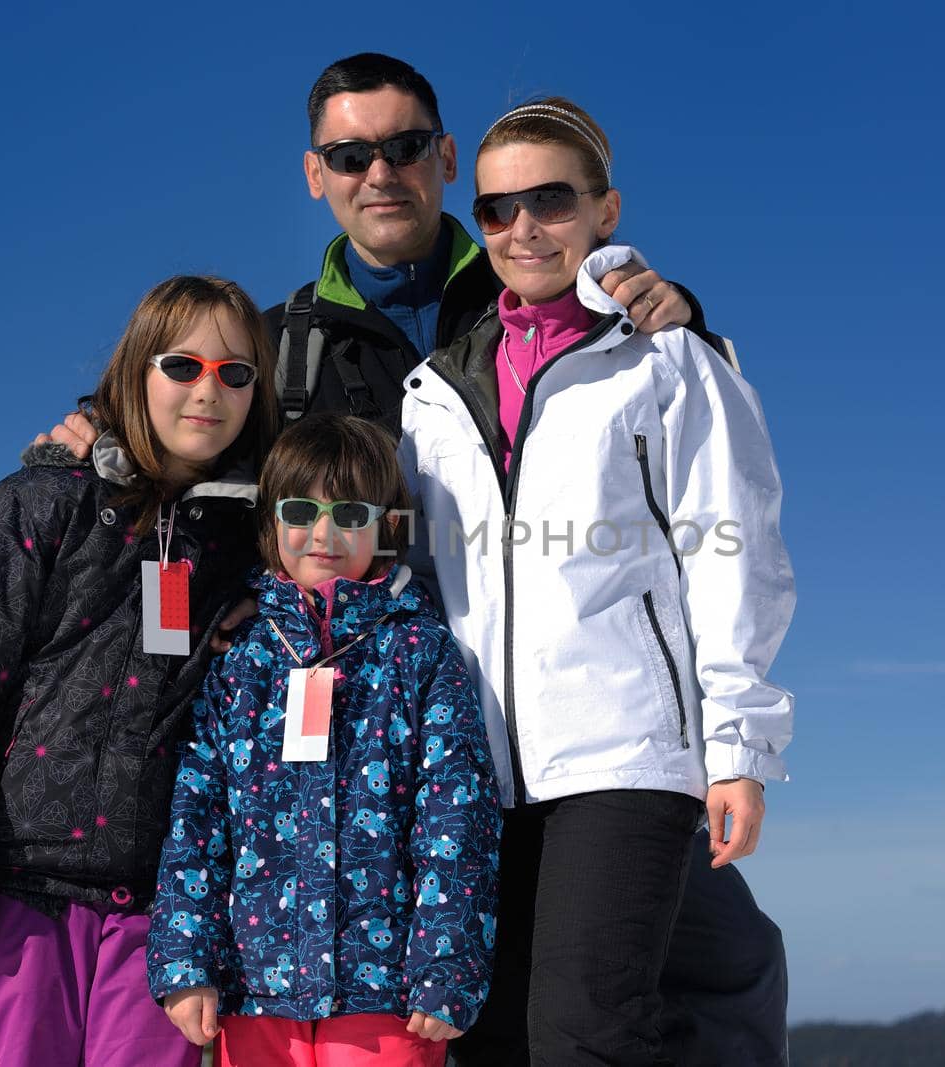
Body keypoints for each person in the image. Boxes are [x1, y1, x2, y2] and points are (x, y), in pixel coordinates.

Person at [44, 53, 790, 1063]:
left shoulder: (532, 285)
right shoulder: (285, 346)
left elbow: (700, 481)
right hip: (398, 739)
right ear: (317, 174)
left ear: (442, 158)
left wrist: (669, 308)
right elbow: (195, 412)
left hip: (591, 718)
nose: (379, 171)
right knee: (487, 1008)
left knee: (715, 964)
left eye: (402, 147)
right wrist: (102, 421)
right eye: (350, 154)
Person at [400, 97, 795, 1067]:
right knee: (488, 1034)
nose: (523, 227)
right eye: (496, 209)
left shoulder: (664, 361)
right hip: (475, 766)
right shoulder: (435, 394)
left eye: (550, 199)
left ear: (604, 211)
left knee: (585, 1031)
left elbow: (732, 548)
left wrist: (738, 740)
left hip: (620, 751)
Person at [0, 275, 279, 1067]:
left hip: (159, 912)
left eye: (234, 373)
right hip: (15, 891)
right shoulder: (40, 505)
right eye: (183, 365)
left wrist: (263, 605)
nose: (207, 390)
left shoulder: (247, 545)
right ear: (138, 370)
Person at [146, 414, 501, 1067]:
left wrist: (446, 962)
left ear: (388, 525)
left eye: (350, 512)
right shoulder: (240, 658)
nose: (324, 532)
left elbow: (458, 816)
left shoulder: (418, 650)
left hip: (383, 991)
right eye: (302, 509)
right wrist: (187, 957)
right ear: (272, 523)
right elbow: (195, 819)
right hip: (255, 987)